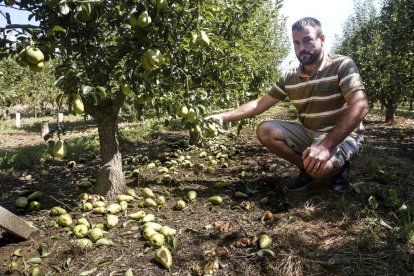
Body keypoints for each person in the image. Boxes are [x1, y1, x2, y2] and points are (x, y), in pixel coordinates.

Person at [205, 17, 369, 192]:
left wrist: (324, 147)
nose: (302, 48)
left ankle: (339, 168)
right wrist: (222, 117)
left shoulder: (341, 65)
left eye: (307, 40)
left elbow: (360, 106)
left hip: (341, 135)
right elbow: (259, 104)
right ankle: (308, 169)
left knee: (322, 171)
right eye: (296, 43)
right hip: (310, 132)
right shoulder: (289, 77)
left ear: (321, 39)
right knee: (265, 130)